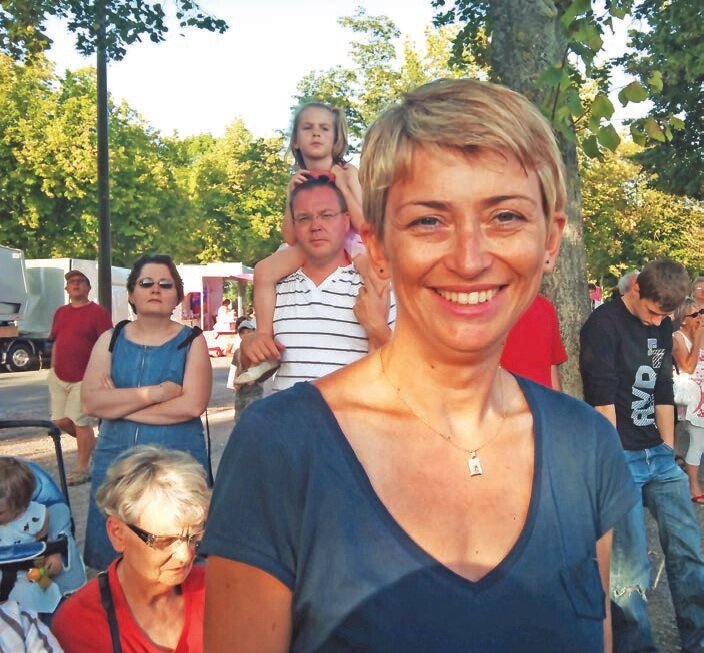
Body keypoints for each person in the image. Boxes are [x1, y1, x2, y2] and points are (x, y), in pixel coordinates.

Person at [202, 78, 639, 653]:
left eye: (506, 216)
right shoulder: (281, 448)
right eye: (429, 221)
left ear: (550, 240)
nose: (470, 258)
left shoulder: (585, 448)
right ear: (379, 247)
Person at [580, 260, 704, 653]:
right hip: (621, 458)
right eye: (652, 312)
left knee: (689, 553)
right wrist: (616, 462)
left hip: (659, 457)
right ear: (635, 289)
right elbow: (602, 402)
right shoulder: (602, 326)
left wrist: (667, 449)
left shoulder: (663, 323)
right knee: (630, 572)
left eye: (664, 316)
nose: (656, 322)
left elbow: (663, 388)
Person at [80, 254, 212, 571]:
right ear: (131, 293)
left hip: (176, 467)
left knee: (177, 556)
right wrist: (155, 394)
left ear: (177, 296)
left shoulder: (192, 342)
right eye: (146, 283)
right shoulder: (109, 340)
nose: (155, 289)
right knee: (112, 561)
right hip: (115, 463)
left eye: (165, 284)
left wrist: (118, 405)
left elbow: (192, 405)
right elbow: (91, 403)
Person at [250, 101, 381, 381]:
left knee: (376, 276)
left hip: (350, 239)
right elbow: (290, 236)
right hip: (310, 242)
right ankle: (265, 338)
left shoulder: (348, 172)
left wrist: (343, 186)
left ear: (336, 138)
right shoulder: (298, 179)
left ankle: (376, 348)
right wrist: (291, 196)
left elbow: (363, 224)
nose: (316, 133)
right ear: (296, 140)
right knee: (263, 271)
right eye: (308, 128)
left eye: (324, 128)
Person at [51, 446, 209, 653]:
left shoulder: (216, 590)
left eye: (193, 537)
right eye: (165, 540)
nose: (185, 555)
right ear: (118, 533)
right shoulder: (80, 625)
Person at [243, 176, 394, 391]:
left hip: (352, 412)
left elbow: (410, 374)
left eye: (326, 215)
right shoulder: (276, 285)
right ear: (295, 226)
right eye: (304, 218)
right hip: (287, 412)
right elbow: (259, 366)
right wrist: (250, 346)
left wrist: (377, 329)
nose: (316, 226)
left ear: (346, 220)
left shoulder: (377, 289)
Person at [48, 270, 112, 485]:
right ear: (66, 288)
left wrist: (103, 372)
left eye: (80, 281)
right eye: (71, 282)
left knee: (79, 420)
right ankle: (96, 446)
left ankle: (82, 469)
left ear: (88, 288)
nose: (75, 284)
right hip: (58, 376)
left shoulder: (98, 313)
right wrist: (52, 368)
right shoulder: (60, 312)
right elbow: (57, 340)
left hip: (85, 376)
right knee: (60, 421)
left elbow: (107, 343)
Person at [0, 458, 63, 614]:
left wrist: (53, 556)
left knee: (34, 595)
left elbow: (43, 545)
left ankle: (34, 620)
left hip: (27, 570)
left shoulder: (37, 516)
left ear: (21, 506)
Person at [672, 297, 704, 501]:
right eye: (695, 314)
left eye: (701, 312)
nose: (700, 317)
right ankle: (693, 487)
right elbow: (688, 367)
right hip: (691, 398)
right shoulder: (677, 338)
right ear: (683, 319)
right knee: (698, 440)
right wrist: (698, 336)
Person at [500, 293, 567, 389]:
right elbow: (552, 370)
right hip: (539, 395)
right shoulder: (545, 306)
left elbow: (551, 367)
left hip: (507, 394)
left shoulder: (489, 310)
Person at [229, 320, 264, 422]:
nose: (245, 335)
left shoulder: (258, 351)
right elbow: (236, 380)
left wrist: (241, 377)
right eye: (242, 333)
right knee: (239, 423)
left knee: (253, 423)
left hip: (254, 396)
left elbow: (251, 380)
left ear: (254, 332)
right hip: (240, 397)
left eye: (248, 332)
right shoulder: (237, 352)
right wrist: (238, 378)